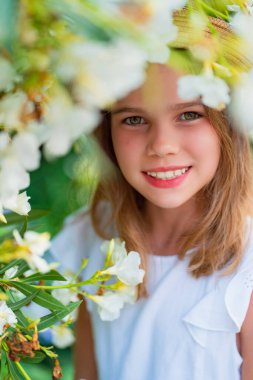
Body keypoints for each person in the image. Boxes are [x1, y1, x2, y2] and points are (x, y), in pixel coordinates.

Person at [51, 61, 253, 380]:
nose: (162, 146)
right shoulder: (92, 234)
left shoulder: (245, 267)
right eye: (133, 119)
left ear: (230, 123)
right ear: (106, 132)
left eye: (189, 114)